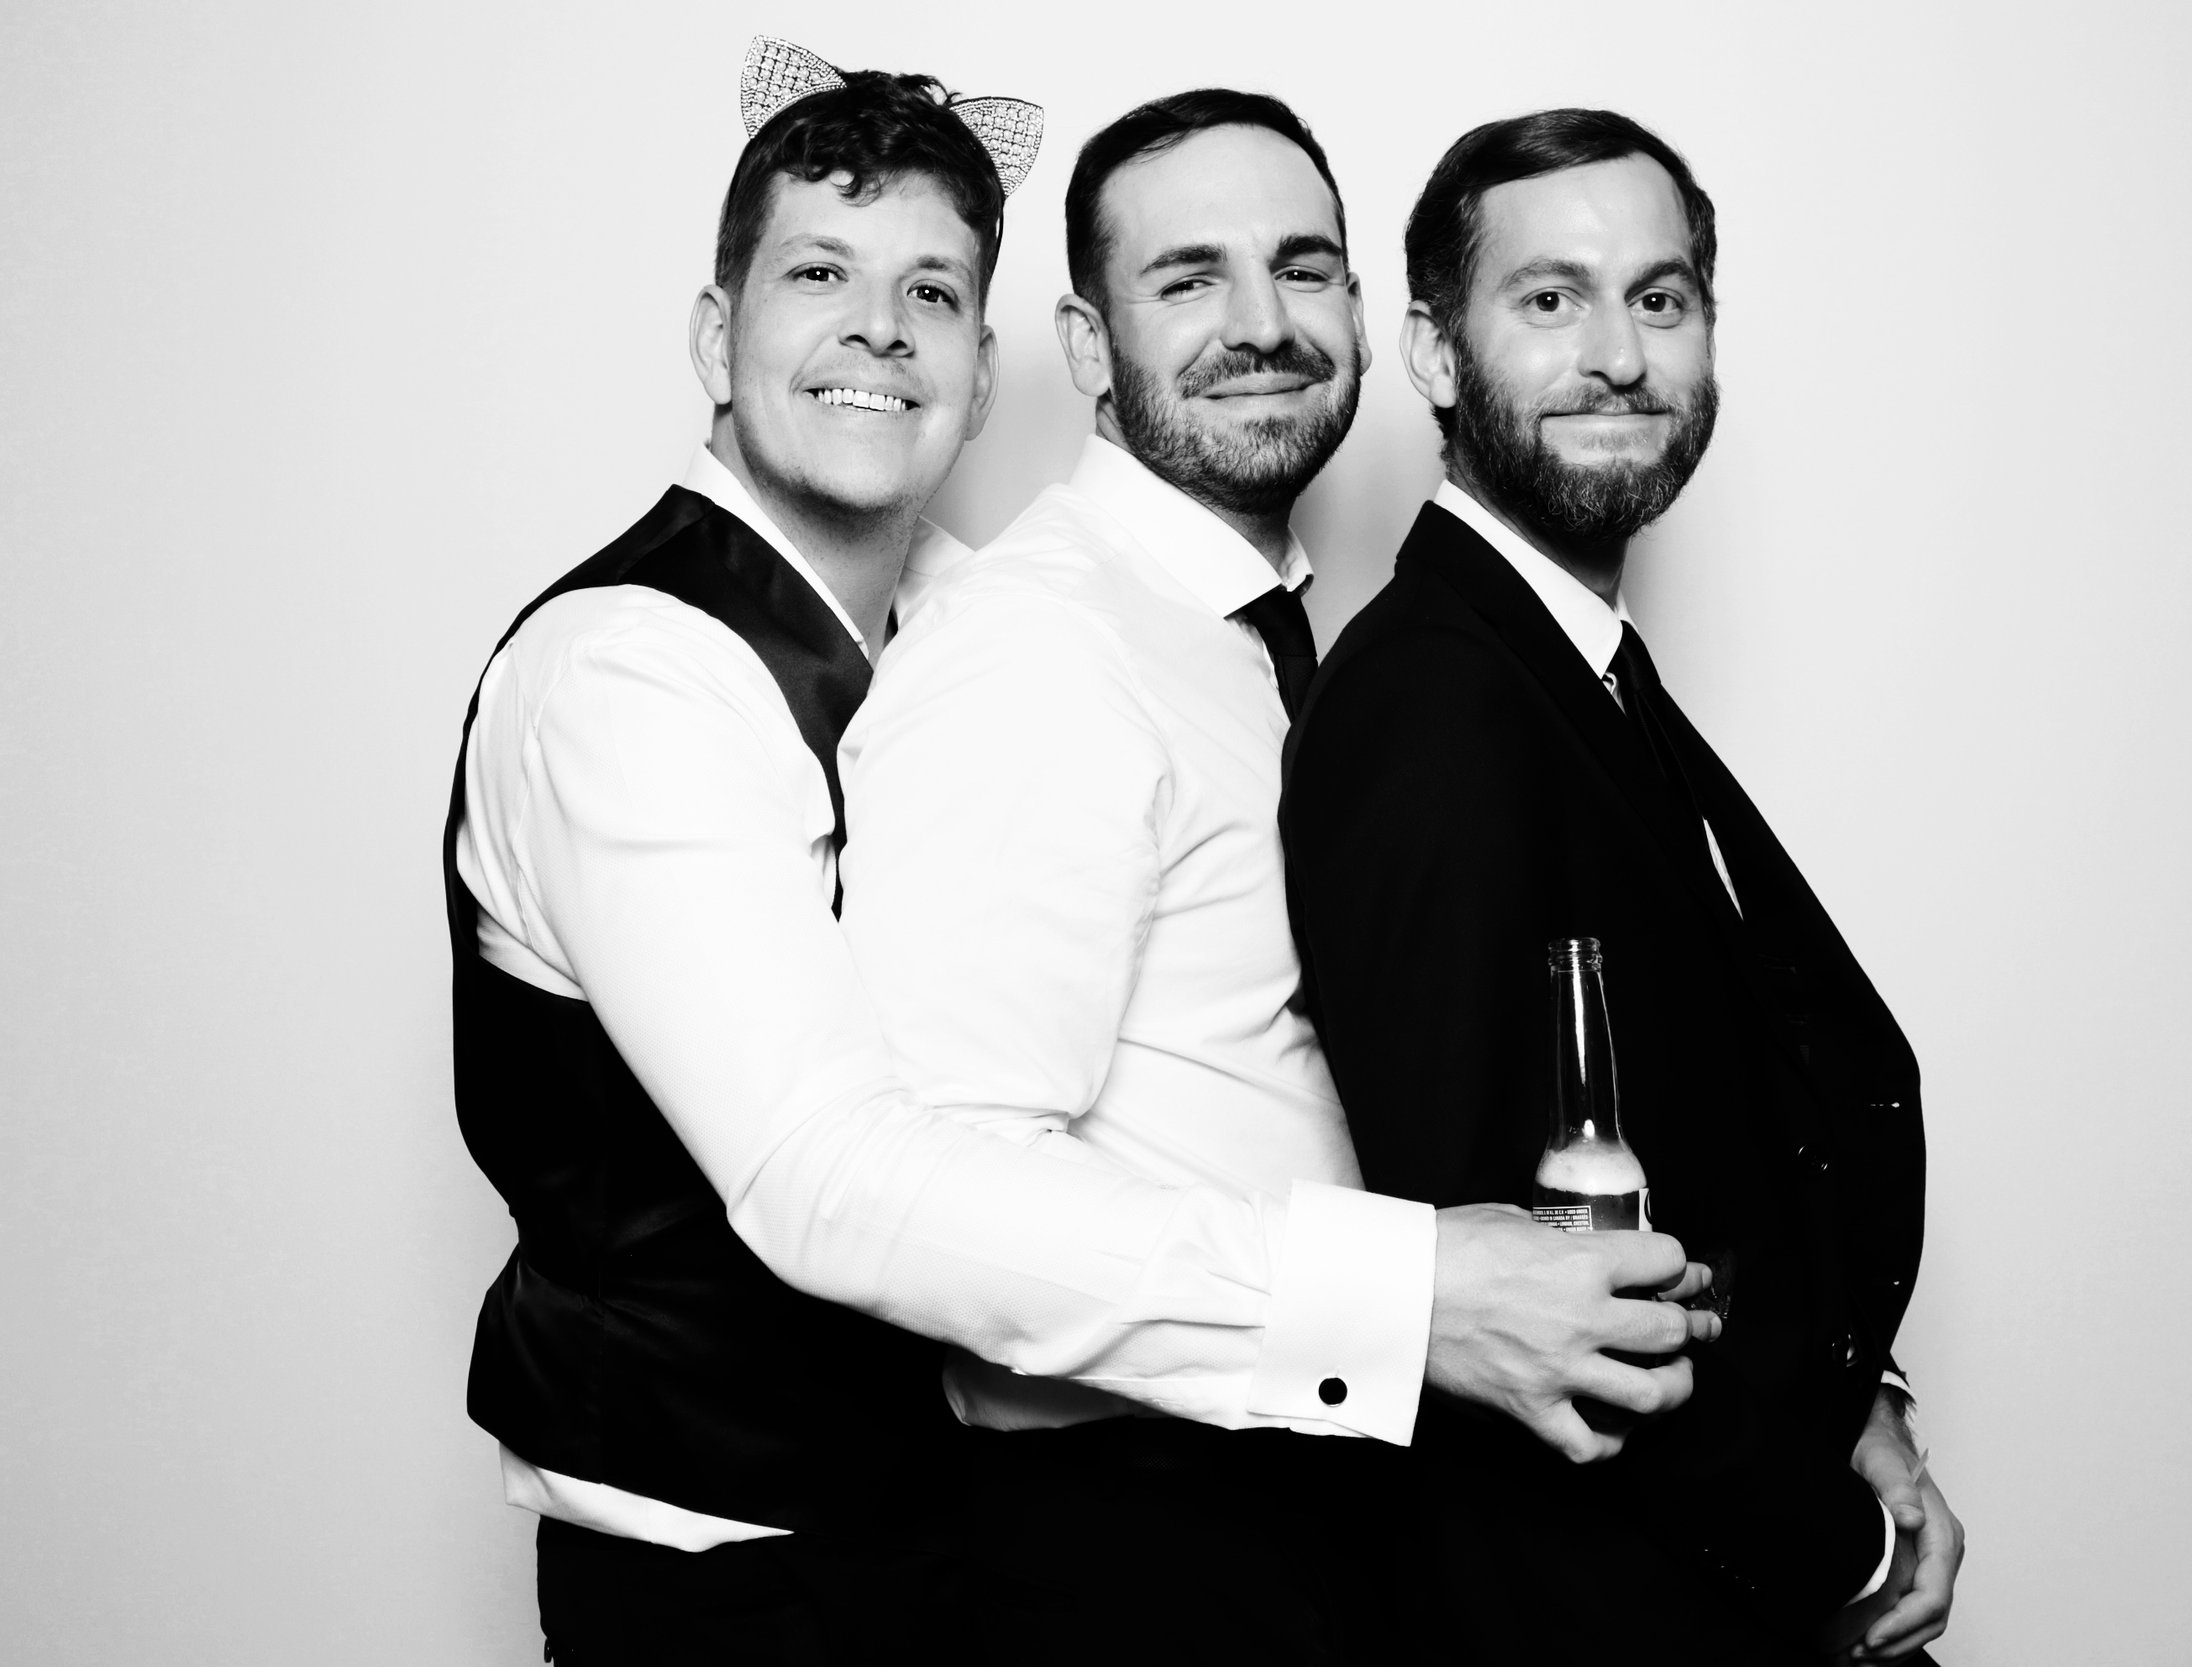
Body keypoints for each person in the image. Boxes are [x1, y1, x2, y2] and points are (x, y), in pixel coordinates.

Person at [450, 51, 1705, 1663]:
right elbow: (832, 1183)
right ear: (715, 334)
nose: (878, 330)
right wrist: (1407, 1301)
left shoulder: (982, 608)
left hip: (953, 1535)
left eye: (930, 289)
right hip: (738, 1567)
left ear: (982, 367)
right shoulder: (630, 672)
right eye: (818, 274)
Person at [836, 89, 1712, 1663]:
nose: (1263, 325)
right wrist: (1407, 1300)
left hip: (1359, 1515)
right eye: (1188, 281)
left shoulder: (1312, 646)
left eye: (1303, 271)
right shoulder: (1035, 654)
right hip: (1141, 1546)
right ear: (1089, 347)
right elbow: (921, 1202)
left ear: (1370, 323)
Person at [1278, 109, 1966, 1663]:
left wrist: (1857, 1400)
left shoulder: (1575, 670)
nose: (1619, 355)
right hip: (1607, 1607)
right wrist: (1837, 1545)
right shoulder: (1432, 706)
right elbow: (1512, 1285)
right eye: (1550, 299)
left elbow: (1708, 1145)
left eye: (1660, 299)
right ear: (1437, 356)